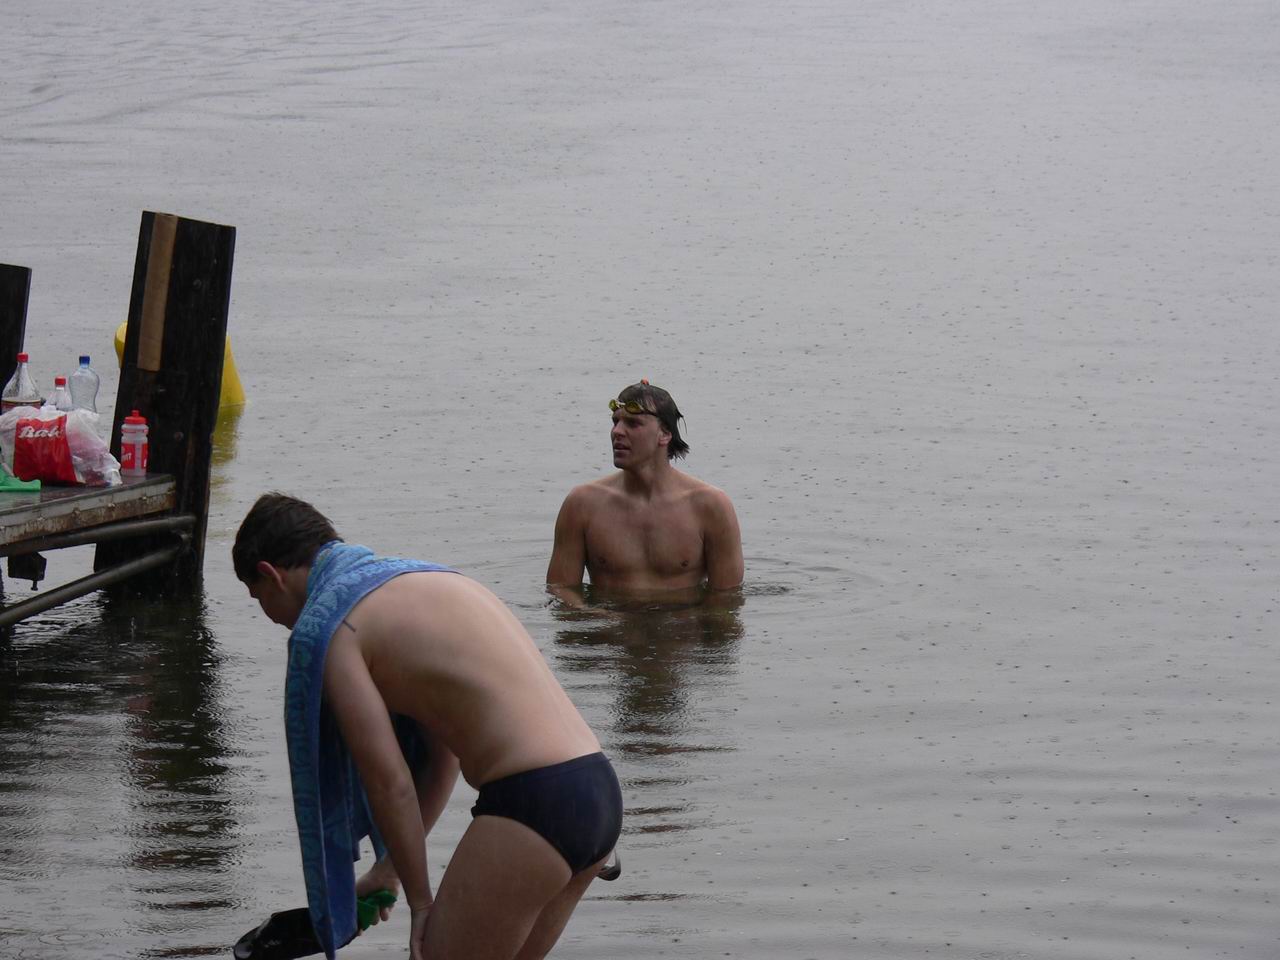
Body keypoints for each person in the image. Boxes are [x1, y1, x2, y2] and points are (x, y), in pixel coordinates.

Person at [233, 492, 623, 960]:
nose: (268, 614)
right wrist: (389, 872)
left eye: (258, 597)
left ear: (270, 574)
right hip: (597, 791)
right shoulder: (427, 578)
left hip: (534, 805)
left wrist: (421, 904)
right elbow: (443, 759)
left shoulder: (334, 630)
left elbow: (389, 782)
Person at [546, 379, 743, 603]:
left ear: (665, 434)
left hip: (681, 624)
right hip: (608, 625)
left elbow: (726, 600)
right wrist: (592, 615)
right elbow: (560, 590)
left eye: (633, 424)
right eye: (615, 422)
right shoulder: (582, 504)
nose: (617, 431)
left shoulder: (711, 506)